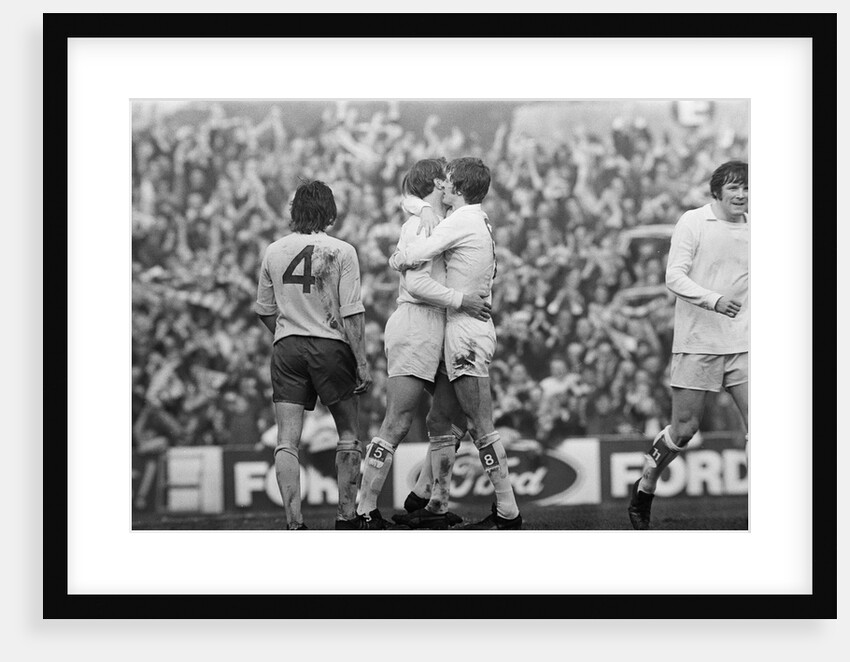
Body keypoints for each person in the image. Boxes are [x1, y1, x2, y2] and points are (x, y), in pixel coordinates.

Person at [355, 158, 492, 529]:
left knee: (447, 418)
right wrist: (461, 300)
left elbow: (409, 198)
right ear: (436, 182)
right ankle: (363, 509)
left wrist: (423, 204)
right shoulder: (421, 222)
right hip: (416, 321)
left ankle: (433, 499)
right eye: (445, 178)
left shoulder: (436, 218)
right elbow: (416, 284)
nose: (451, 183)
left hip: (440, 327)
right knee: (398, 421)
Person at [390, 157, 522, 529]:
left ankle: (508, 510)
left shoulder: (460, 221)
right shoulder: (472, 217)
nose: (441, 186)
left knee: (481, 425)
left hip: (467, 331)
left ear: (458, 188)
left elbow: (416, 254)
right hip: (462, 329)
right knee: (440, 419)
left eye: (447, 181)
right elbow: (411, 200)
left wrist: (395, 256)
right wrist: (423, 207)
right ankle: (433, 500)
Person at [628, 161, 749, 530]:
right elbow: (673, 276)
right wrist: (713, 300)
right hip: (699, 339)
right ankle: (646, 484)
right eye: (734, 189)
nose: (742, 195)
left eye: (746, 188)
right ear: (717, 192)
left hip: (745, 341)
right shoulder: (694, 222)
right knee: (684, 429)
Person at [254, 180, 372, 530]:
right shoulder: (342, 251)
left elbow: (263, 309)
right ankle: (347, 518)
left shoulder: (274, 250)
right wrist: (362, 362)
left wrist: (287, 329)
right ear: (330, 212)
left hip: (288, 347)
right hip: (331, 346)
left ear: (296, 212)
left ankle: (294, 524)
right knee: (348, 433)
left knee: (287, 440)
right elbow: (352, 311)